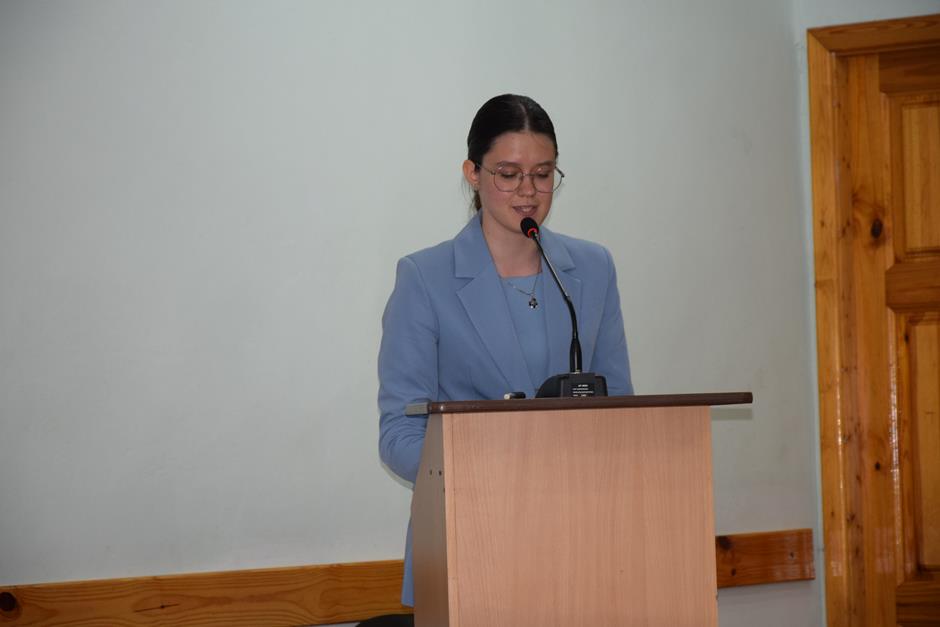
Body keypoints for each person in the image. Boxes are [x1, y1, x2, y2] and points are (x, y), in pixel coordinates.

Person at [376, 94, 634, 609]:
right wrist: (494, 473)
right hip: (469, 537)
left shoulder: (592, 269)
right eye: (509, 174)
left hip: (582, 538)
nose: (528, 192)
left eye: (543, 174)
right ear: (473, 173)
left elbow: (620, 408)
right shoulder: (424, 278)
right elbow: (399, 435)